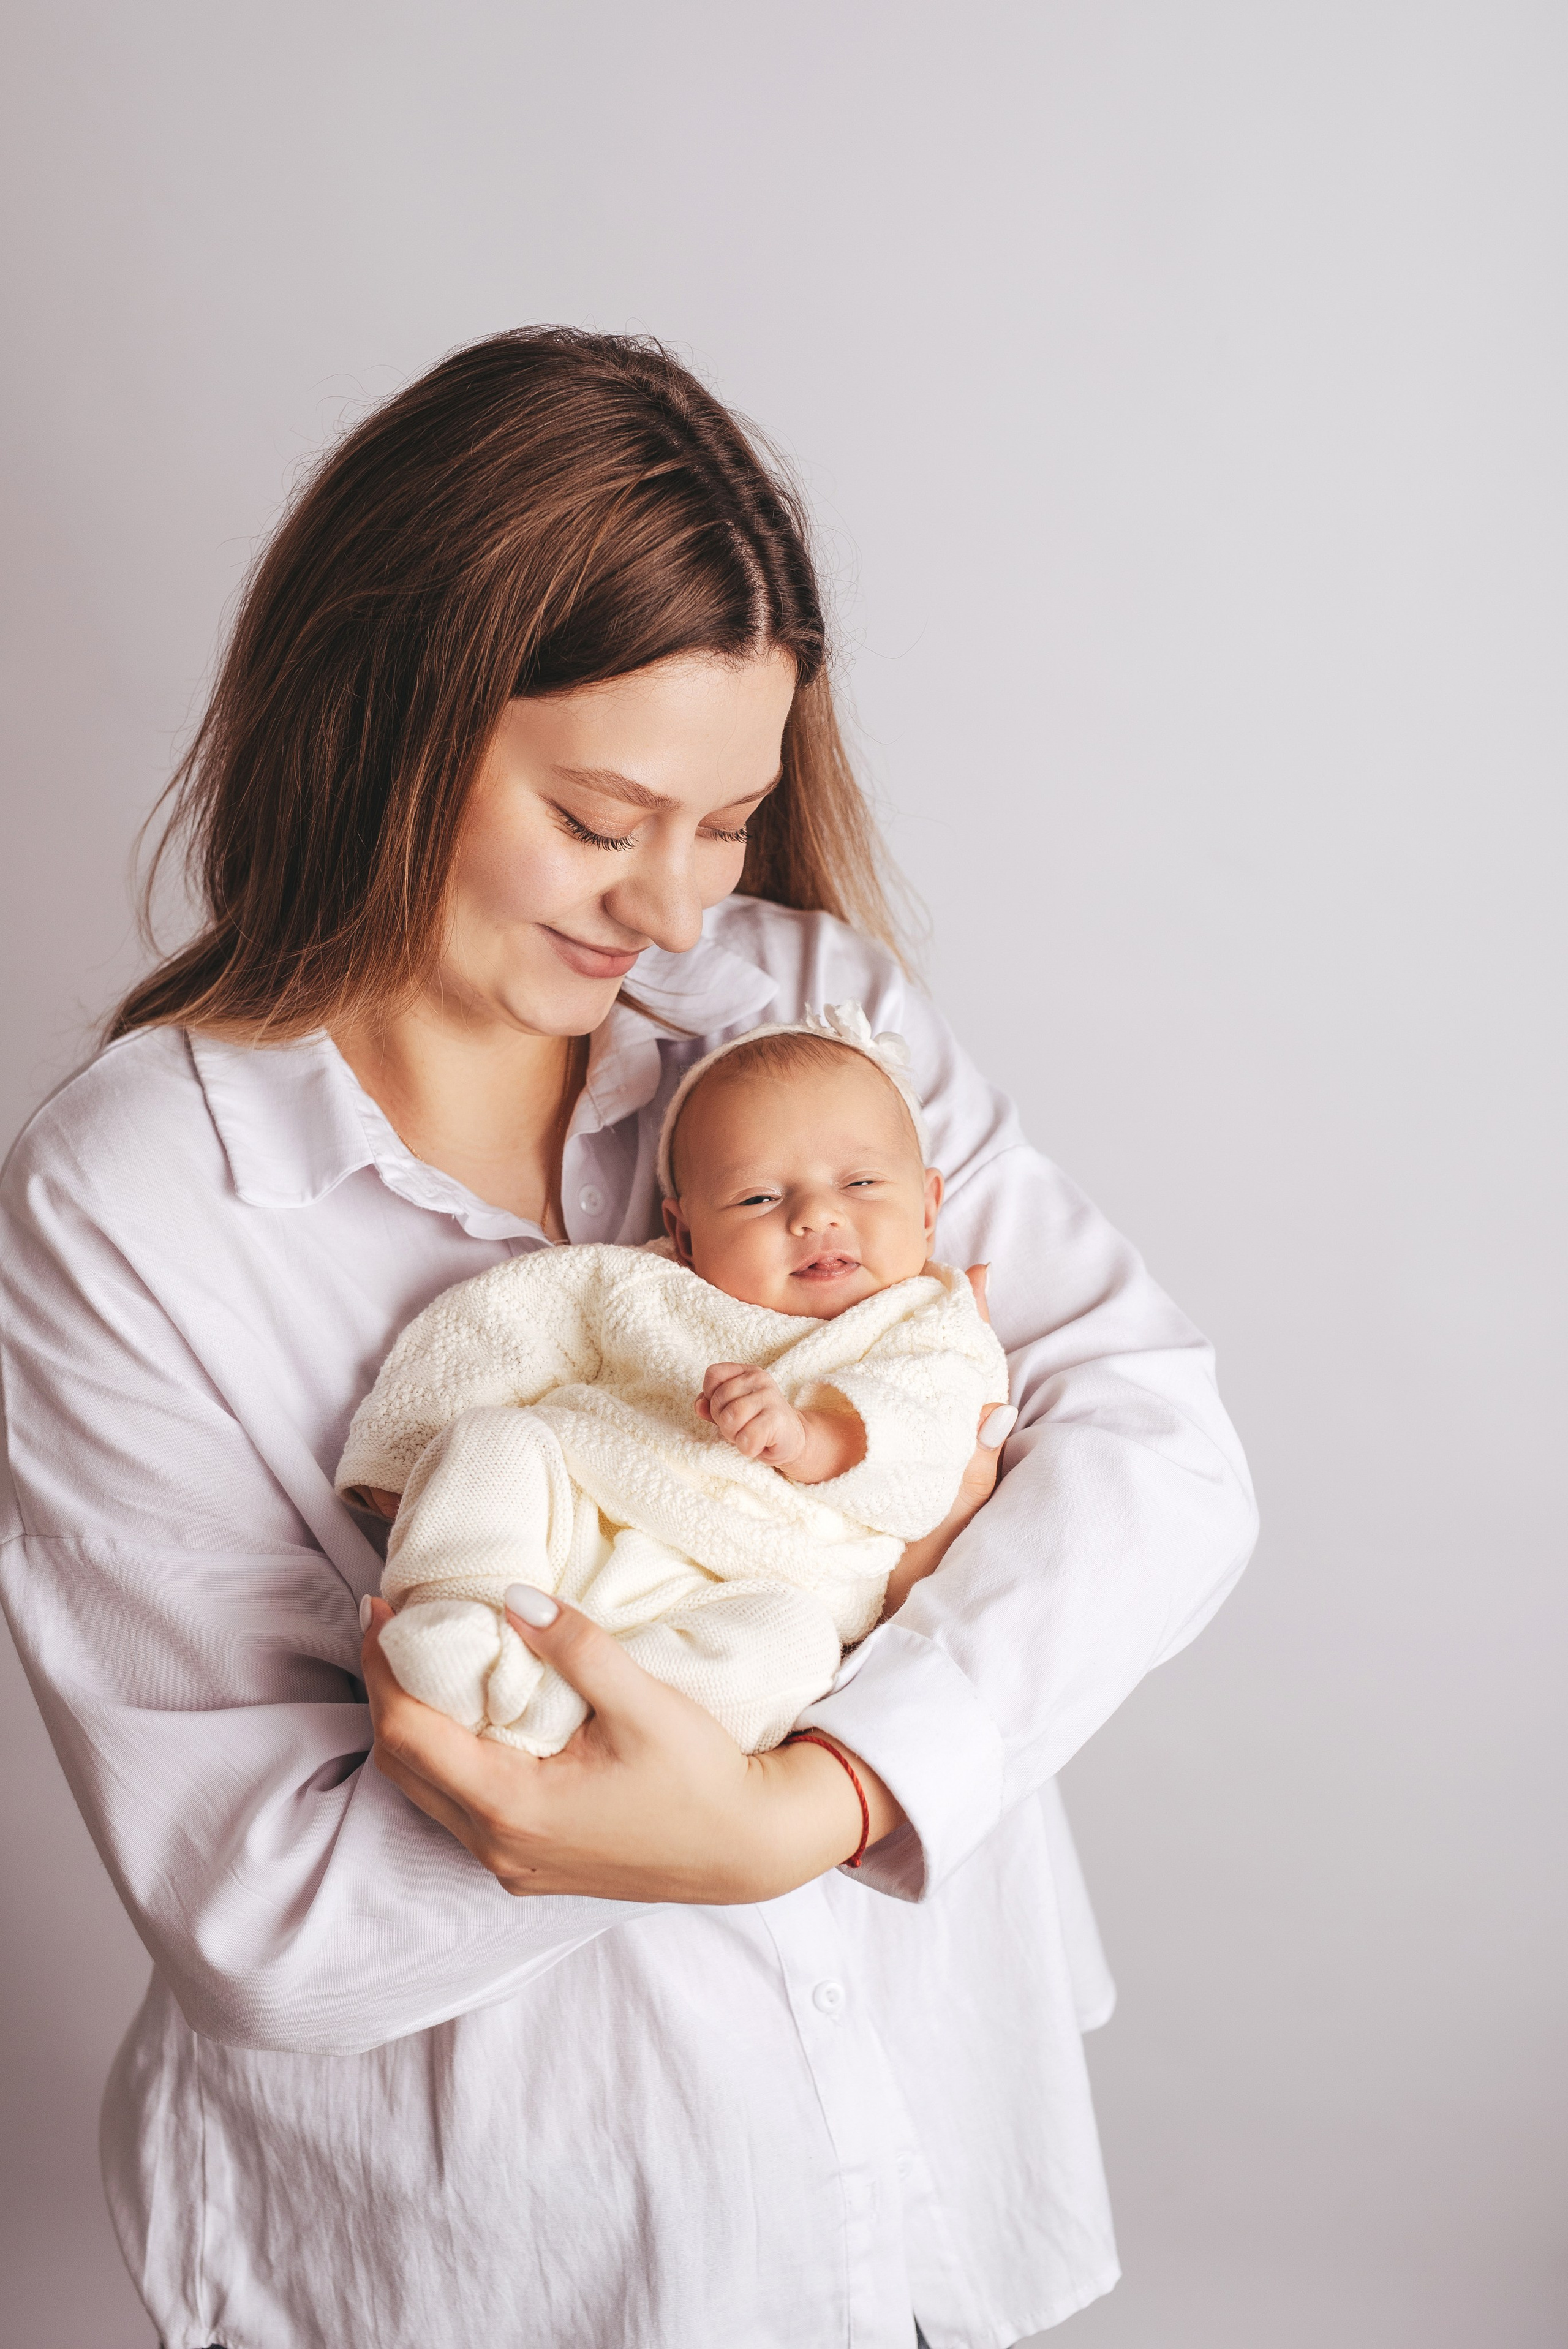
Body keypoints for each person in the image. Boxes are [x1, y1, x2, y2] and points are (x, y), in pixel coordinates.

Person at [0, 327, 1257, 2349]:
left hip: (912, 2158)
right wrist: (898, 1595)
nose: (676, 913)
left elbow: (1159, 1449)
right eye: (603, 820)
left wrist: (822, 1800)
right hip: (498, 2248)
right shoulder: (134, 1199)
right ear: (387, 721)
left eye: (728, 820)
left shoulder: (806, 1019)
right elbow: (268, 1910)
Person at [336, 1012, 1012, 1757]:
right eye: (758, 1198)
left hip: (758, 1581)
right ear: (684, 1232)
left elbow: (927, 1442)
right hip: (586, 1511)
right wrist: (407, 1458)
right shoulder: (641, 1286)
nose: (817, 1214)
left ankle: (567, 1708)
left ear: (927, 1207)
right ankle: (461, 1616)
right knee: (494, 1437)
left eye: (860, 1182)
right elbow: (504, 1323)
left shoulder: (932, 1323)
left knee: (796, 1649)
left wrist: (811, 1437)